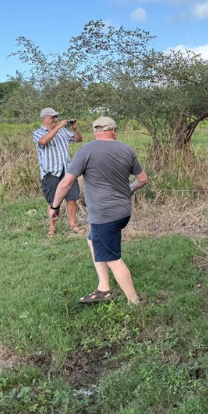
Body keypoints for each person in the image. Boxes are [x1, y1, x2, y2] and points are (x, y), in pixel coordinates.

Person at [49, 116, 148, 304]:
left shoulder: (85, 150)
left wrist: (54, 206)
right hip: (122, 211)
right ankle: (104, 289)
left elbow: (66, 183)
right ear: (113, 130)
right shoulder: (127, 149)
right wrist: (128, 190)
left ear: (95, 132)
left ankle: (134, 303)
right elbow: (142, 179)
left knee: (113, 258)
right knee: (93, 241)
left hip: (105, 214)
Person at [33, 107, 83, 238]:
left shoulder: (63, 132)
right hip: (51, 172)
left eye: (57, 117)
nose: (56, 119)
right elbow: (43, 142)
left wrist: (75, 129)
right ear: (44, 119)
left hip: (67, 170)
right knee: (53, 201)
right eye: (53, 117)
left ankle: (73, 225)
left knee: (72, 199)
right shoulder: (38, 133)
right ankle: (52, 227)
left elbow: (78, 140)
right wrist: (59, 127)